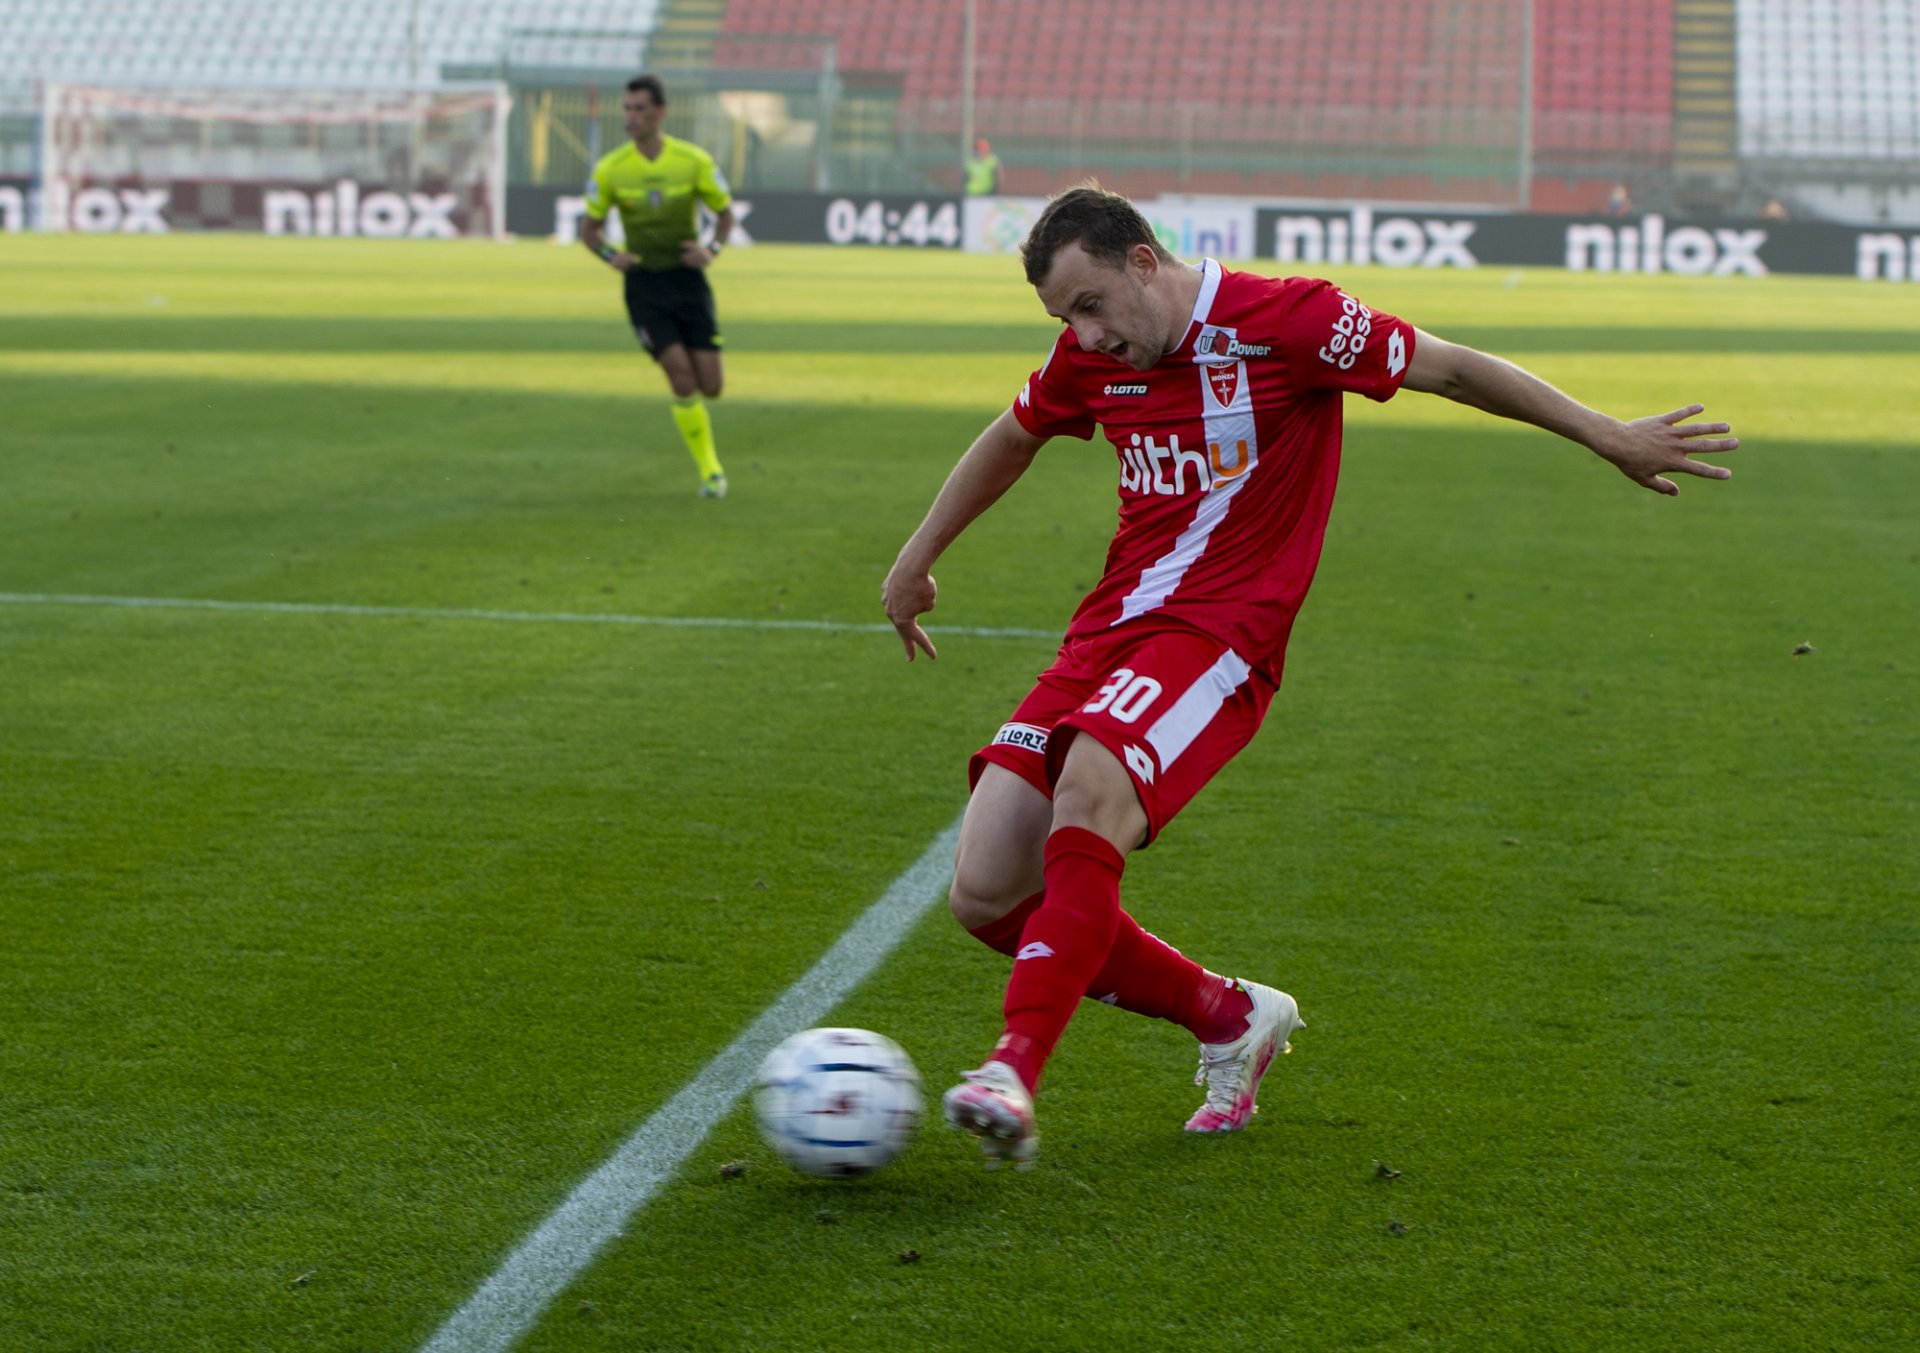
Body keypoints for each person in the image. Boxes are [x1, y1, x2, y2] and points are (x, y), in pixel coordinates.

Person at [880, 184, 1737, 1168]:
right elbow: (1016, 432)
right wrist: (918, 554)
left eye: (1090, 304)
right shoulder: (1090, 360)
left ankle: (1011, 1074)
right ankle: (1229, 1015)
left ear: (1144, 264)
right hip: (1108, 631)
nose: (1085, 334)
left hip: (1219, 633)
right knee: (986, 892)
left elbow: (1451, 368)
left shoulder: (1291, 322)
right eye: (1064, 317)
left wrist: (1605, 431)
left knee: (1089, 789)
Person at [581, 74, 737, 499]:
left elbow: (725, 213)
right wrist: (611, 256)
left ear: (660, 112)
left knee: (712, 385)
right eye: (627, 109)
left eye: (639, 108)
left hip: (687, 281)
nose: (631, 117)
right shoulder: (612, 168)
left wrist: (713, 248)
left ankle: (709, 465)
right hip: (644, 286)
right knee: (681, 375)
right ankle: (711, 472)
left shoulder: (692, 161)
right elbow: (589, 230)